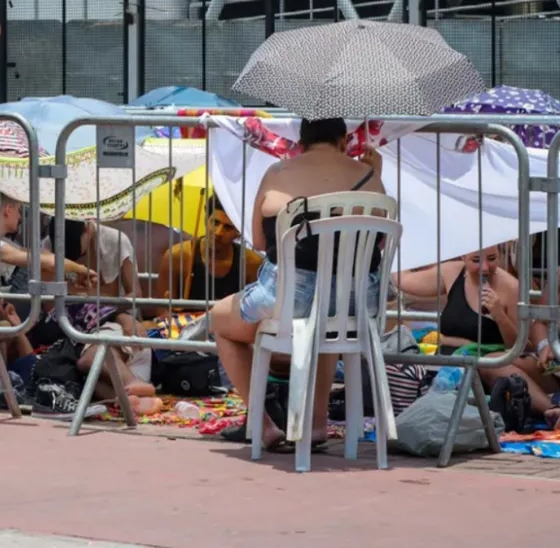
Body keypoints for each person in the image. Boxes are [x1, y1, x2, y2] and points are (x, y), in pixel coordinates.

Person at [209, 118, 387, 451]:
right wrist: (375, 171)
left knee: (219, 321)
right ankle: (317, 425)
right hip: (358, 301)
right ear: (344, 139)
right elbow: (377, 243)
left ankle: (264, 426)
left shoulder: (278, 173)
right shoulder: (370, 177)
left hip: (292, 298)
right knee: (326, 318)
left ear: (301, 142)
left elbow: (260, 242)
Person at [394, 247, 560, 426]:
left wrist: (499, 316)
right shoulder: (451, 272)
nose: (485, 267)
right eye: (476, 260)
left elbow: (519, 345)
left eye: (492, 259)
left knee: (493, 362)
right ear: (463, 256)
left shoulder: (510, 287)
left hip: (492, 363)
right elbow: (404, 280)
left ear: (500, 256)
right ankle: (552, 411)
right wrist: (396, 243)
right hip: (458, 364)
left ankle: (550, 411)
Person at [155, 193, 264, 308]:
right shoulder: (177, 256)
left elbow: (253, 311)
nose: (218, 232)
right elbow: (161, 309)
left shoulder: (251, 264)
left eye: (228, 227)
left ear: (239, 231)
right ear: (206, 220)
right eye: (215, 222)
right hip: (183, 323)